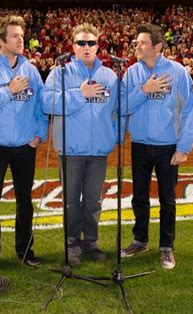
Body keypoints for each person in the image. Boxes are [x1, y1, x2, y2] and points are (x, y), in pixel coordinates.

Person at [0, 15, 48, 273]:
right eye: (14, 35)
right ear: (1, 40)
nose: (20, 39)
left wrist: (39, 134)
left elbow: (41, 107)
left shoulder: (31, 70)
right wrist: (8, 91)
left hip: (25, 146)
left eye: (21, 35)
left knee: (25, 200)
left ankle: (25, 251)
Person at [42, 23, 120, 267]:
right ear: (73, 47)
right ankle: (72, 244)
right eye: (81, 43)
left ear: (98, 46)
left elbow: (117, 112)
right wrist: (80, 94)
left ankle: (91, 242)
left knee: (93, 201)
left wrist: (113, 136)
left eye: (91, 43)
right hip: (71, 150)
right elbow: (47, 104)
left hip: (99, 152)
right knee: (71, 201)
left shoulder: (109, 76)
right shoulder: (60, 73)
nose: (86, 47)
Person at [120, 23, 193, 270]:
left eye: (142, 43)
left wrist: (184, 147)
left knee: (167, 199)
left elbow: (189, 109)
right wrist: (144, 90)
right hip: (140, 144)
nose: (137, 46)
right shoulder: (131, 73)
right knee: (139, 196)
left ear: (157, 46)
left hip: (168, 147)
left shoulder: (178, 72)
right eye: (136, 42)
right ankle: (140, 239)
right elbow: (121, 107)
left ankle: (166, 247)